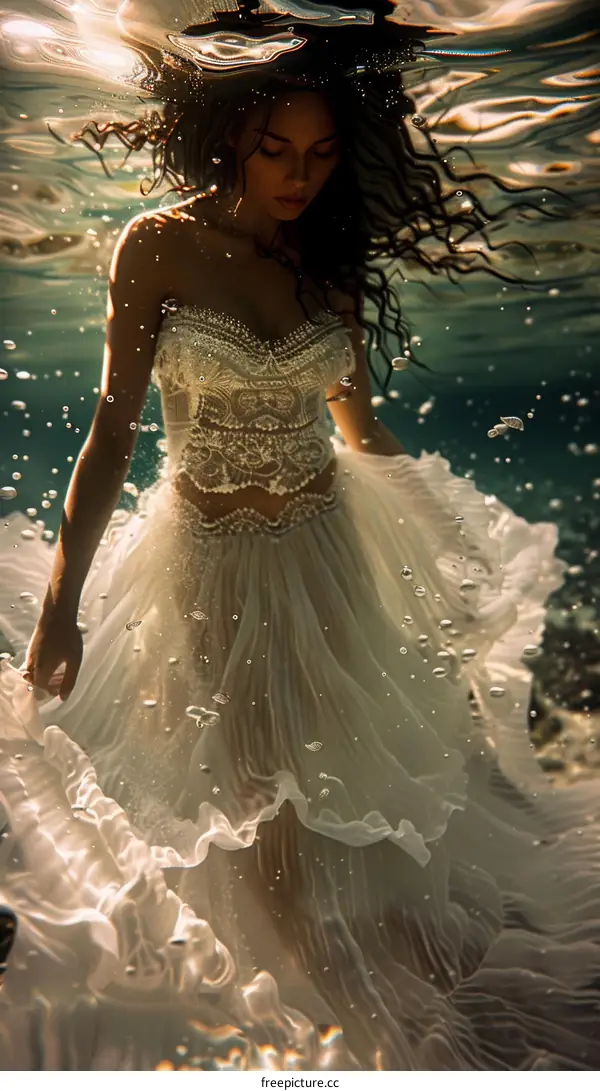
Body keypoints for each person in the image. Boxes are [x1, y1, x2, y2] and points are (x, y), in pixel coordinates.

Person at [0, 14, 599, 1072]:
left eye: (321, 155)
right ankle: (315, 1029)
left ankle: (346, 1028)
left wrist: (444, 560)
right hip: (208, 569)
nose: (298, 175)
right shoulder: (159, 245)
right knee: (257, 803)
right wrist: (60, 602)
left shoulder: (326, 269)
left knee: (339, 806)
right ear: (234, 136)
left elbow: (362, 434)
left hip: (333, 555)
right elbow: (112, 427)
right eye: (277, 149)